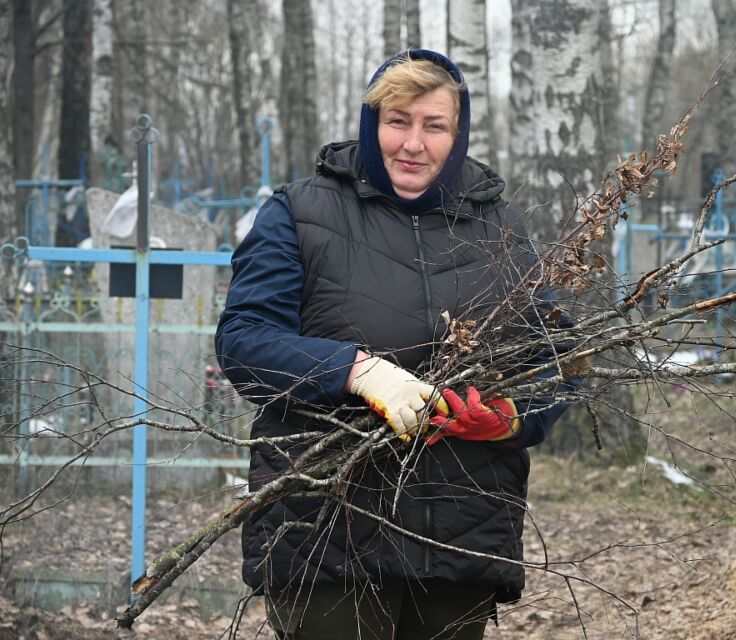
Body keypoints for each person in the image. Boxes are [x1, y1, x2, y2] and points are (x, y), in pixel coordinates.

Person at [215, 49, 572, 640]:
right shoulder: (298, 214)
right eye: (397, 121)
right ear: (370, 122)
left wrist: (512, 416)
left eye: (434, 126)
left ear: (458, 134)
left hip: (463, 528)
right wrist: (356, 372)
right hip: (327, 530)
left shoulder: (501, 227)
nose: (413, 144)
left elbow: (553, 355)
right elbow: (245, 342)